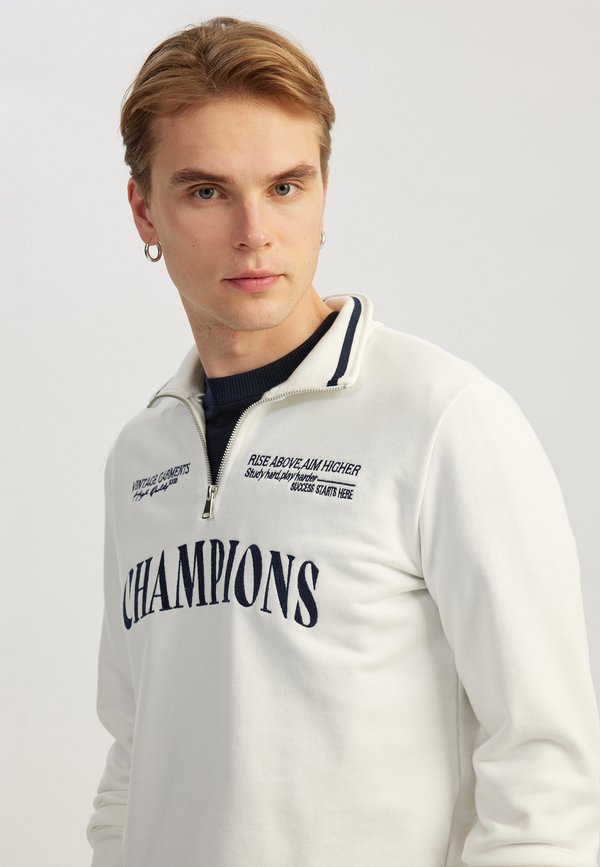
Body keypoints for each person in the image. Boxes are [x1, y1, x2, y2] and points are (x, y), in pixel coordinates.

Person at [87, 15, 600, 867]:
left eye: (286, 186)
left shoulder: (443, 419)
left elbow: (546, 770)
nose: (255, 231)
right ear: (145, 210)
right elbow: (134, 755)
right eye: (207, 192)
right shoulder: (142, 456)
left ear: (324, 191)